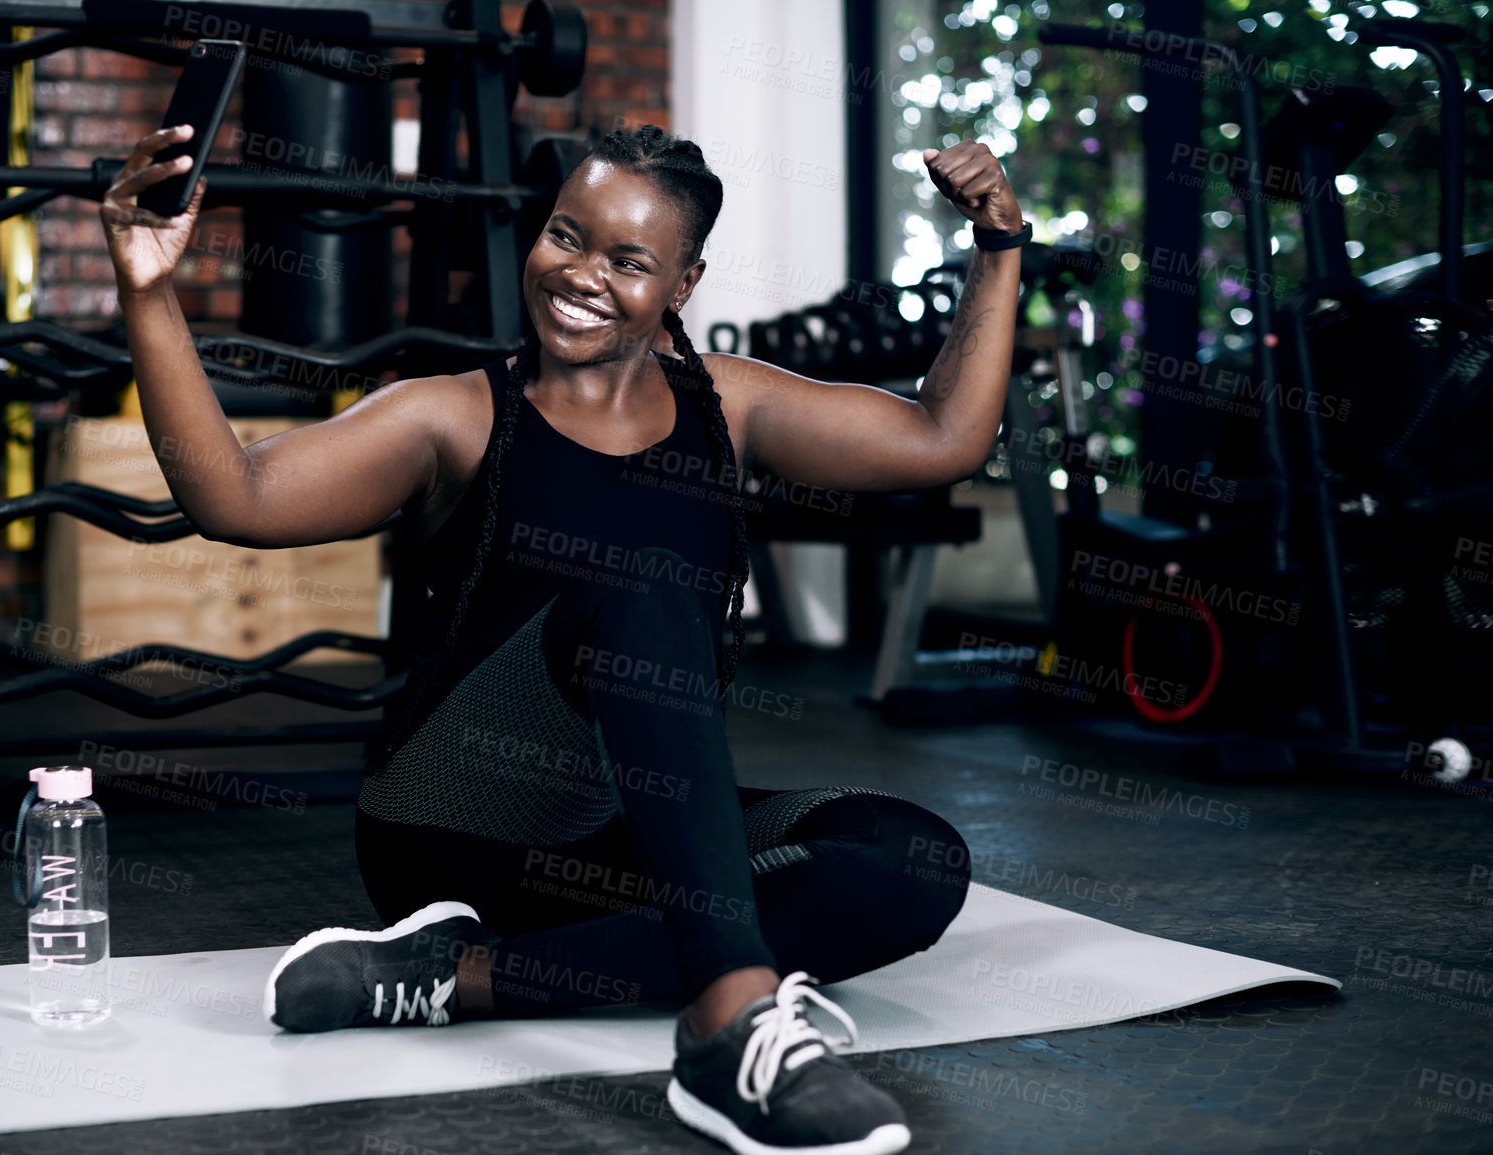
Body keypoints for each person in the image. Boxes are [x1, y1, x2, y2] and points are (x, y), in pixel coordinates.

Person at [103, 120, 1025, 1155]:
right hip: (455, 820)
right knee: (640, 585)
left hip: (614, 836)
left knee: (912, 862)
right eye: (567, 236)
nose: (581, 275)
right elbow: (235, 496)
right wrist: (149, 291)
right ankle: (730, 1025)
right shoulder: (451, 415)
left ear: (682, 284)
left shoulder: (732, 407)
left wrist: (1000, 252)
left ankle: (453, 980)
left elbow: (945, 439)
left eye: (629, 260)